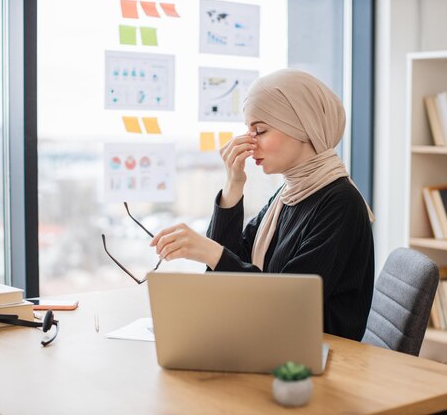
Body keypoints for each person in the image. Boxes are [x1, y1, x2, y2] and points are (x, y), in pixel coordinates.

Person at [150, 69, 375, 340]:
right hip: (272, 341)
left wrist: (210, 252)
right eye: (248, 130)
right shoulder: (288, 194)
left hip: (318, 358)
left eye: (259, 130)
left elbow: (287, 304)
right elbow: (226, 275)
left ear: (302, 128)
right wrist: (233, 185)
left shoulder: (340, 203)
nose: (248, 142)